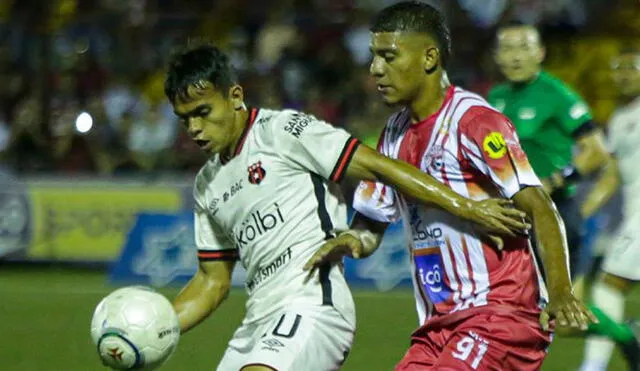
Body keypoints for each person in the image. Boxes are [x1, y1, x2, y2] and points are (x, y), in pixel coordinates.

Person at [164, 44, 528, 371]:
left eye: (202, 112)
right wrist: (151, 327)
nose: (194, 128)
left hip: (312, 306)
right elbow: (211, 283)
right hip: (257, 322)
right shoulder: (207, 184)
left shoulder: (283, 132)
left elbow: (382, 167)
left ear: (235, 96)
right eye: (185, 119)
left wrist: (466, 207)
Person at [305, 2, 595, 370]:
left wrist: (560, 292)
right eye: (374, 57)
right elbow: (371, 226)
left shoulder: (474, 121)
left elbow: (539, 205)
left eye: (389, 56)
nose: (376, 69)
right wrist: (348, 241)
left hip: (499, 315)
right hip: (437, 326)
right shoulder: (393, 135)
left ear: (429, 57)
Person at [489, 21, 640, 369]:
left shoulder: (556, 94)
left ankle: (624, 336)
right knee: (528, 306)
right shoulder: (495, 97)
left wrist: (554, 182)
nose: (515, 57)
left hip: (553, 212)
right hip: (515, 212)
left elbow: (596, 152)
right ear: (496, 56)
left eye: (523, 48)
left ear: (540, 53)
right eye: (507, 49)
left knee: (550, 306)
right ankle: (624, 335)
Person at [577, 48, 640, 371]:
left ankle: (594, 366)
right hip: (632, 217)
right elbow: (612, 175)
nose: (625, 75)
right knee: (609, 285)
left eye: (632, 67)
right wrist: (583, 209)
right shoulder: (619, 118)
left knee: (608, 285)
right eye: (620, 69)